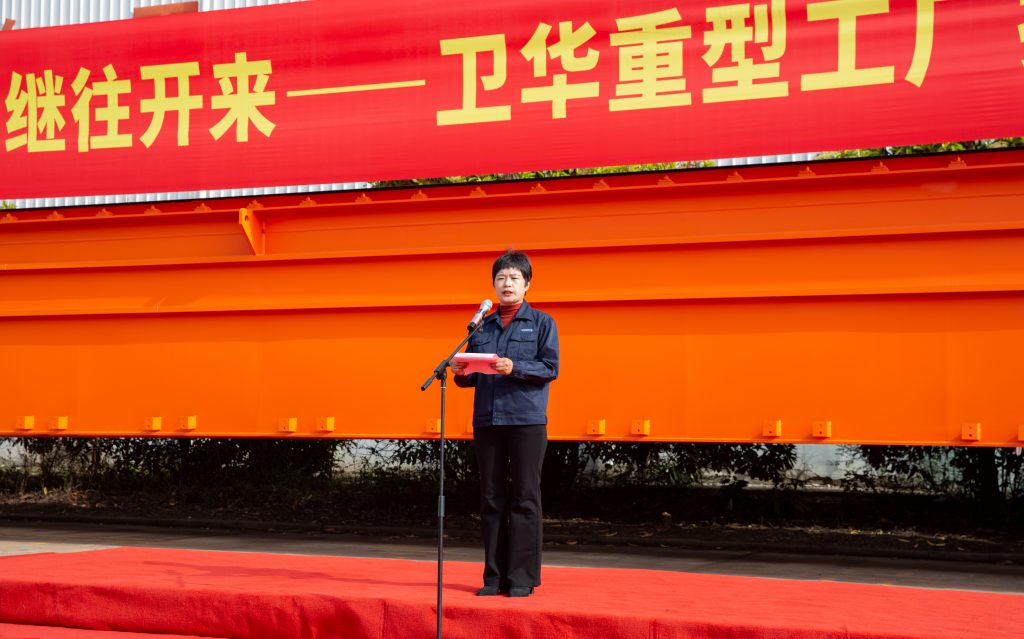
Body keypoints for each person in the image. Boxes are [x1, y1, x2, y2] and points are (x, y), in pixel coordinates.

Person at [450, 250, 559, 598]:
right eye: (501, 278)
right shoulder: (481, 325)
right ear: (493, 285)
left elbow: (550, 368)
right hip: (488, 419)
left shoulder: (542, 323)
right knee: (491, 498)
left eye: (514, 278)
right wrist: (461, 372)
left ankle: (522, 578)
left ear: (527, 285)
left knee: (525, 498)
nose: (507, 284)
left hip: (526, 420)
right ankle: (493, 577)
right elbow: (473, 377)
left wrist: (516, 368)